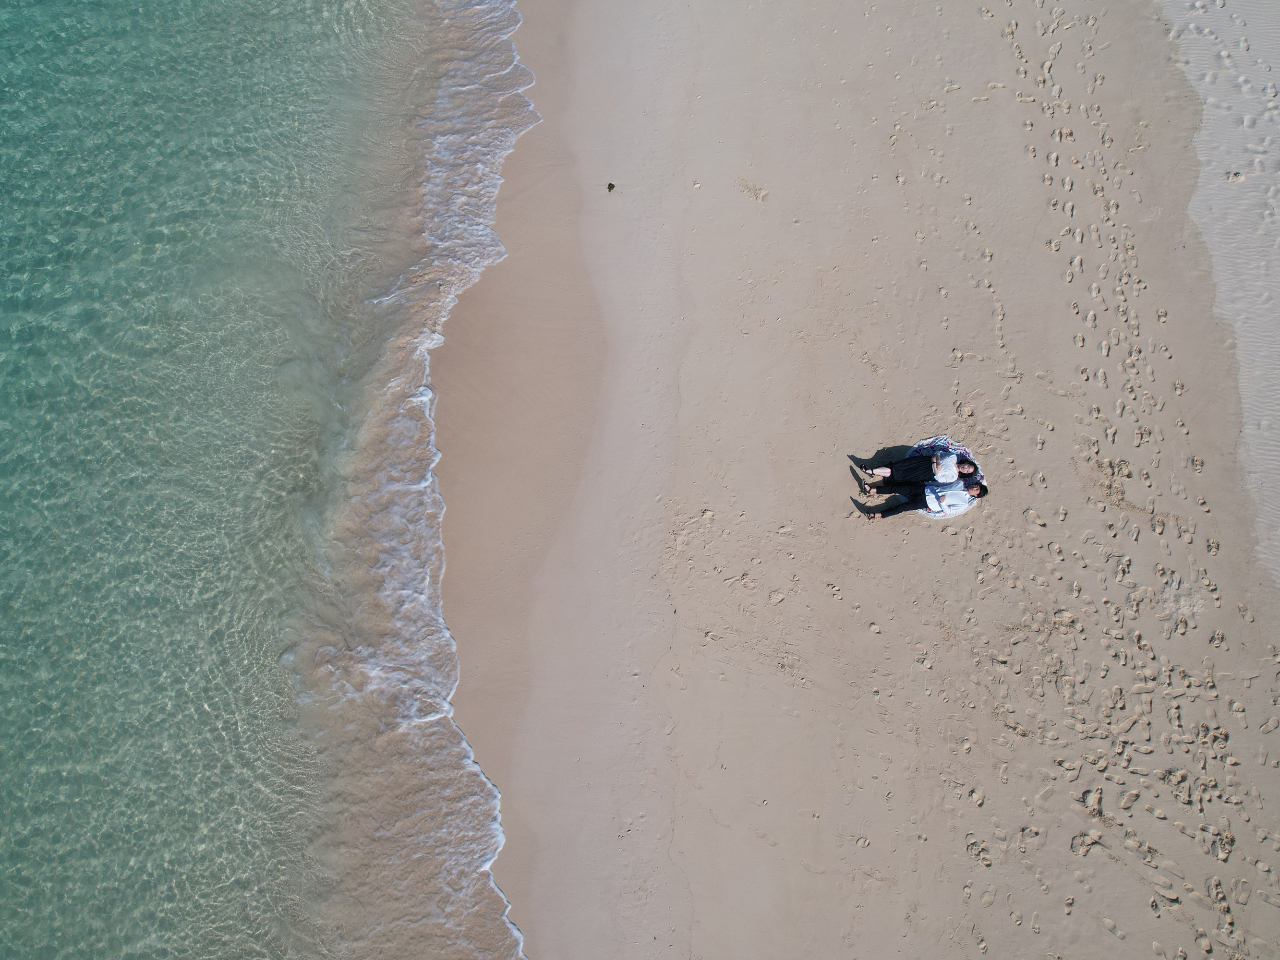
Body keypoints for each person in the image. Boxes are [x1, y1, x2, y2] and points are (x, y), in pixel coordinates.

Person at [856, 478, 988, 520]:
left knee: (902, 508)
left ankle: (877, 515)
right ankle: (870, 490)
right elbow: (942, 485)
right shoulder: (960, 483)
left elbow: (949, 511)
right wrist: (929, 484)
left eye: (977, 489)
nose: (974, 487)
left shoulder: (964, 503)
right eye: (976, 486)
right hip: (926, 489)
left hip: (928, 502)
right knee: (897, 488)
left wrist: (942, 503)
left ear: (976, 495)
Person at [858, 453, 977, 489]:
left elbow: (938, 477)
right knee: (898, 466)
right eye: (967, 466)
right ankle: (871, 471)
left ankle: (872, 472)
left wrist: (936, 466)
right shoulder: (953, 457)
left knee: (898, 473)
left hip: (926, 473)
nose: (965, 469)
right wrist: (937, 463)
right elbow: (937, 454)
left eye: (967, 471)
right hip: (924, 461)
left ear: (965, 473)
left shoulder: (953, 476)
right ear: (966, 463)